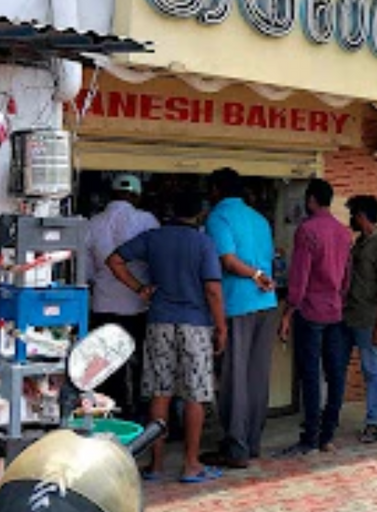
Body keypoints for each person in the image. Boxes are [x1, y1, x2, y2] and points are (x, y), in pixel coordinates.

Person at [108, 188, 227, 483]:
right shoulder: (204, 243)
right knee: (195, 395)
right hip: (195, 325)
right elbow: (213, 289)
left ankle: (156, 465)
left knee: (159, 393)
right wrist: (221, 327)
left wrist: (140, 288)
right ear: (200, 214)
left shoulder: (154, 238)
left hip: (159, 321)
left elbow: (114, 260)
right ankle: (191, 465)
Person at [205, 168, 279, 468]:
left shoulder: (217, 217)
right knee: (257, 377)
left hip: (238, 304)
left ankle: (235, 448)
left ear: (216, 190)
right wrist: (260, 274)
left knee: (234, 378)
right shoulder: (260, 219)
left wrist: (254, 273)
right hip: (267, 304)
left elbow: (228, 260)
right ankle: (252, 442)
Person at [278, 178, 351, 456]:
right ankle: (327, 435)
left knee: (310, 375)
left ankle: (310, 436)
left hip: (310, 311)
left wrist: (288, 311)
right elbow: (346, 277)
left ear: (310, 200)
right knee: (335, 374)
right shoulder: (343, 233)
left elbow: (299, 277)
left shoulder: (307, 230)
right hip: (335, 310)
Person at [84, 173, 158, 421]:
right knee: (138, 364)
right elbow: (156, 262)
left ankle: (109, 415)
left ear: (111, 194)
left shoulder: (93, 223)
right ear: (137, 196)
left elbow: (86, 273)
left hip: (104, 305)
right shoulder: (147, 220)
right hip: (139, 306)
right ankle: (135, 414)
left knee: (106, 365)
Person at [336, 195, 377, 446]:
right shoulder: (359, 243)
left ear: (361, 216)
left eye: (353, 215)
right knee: (337, 366)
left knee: (372, 371)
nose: (351, 220)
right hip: (348, 315)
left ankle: (374, 422)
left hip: (369, 318)